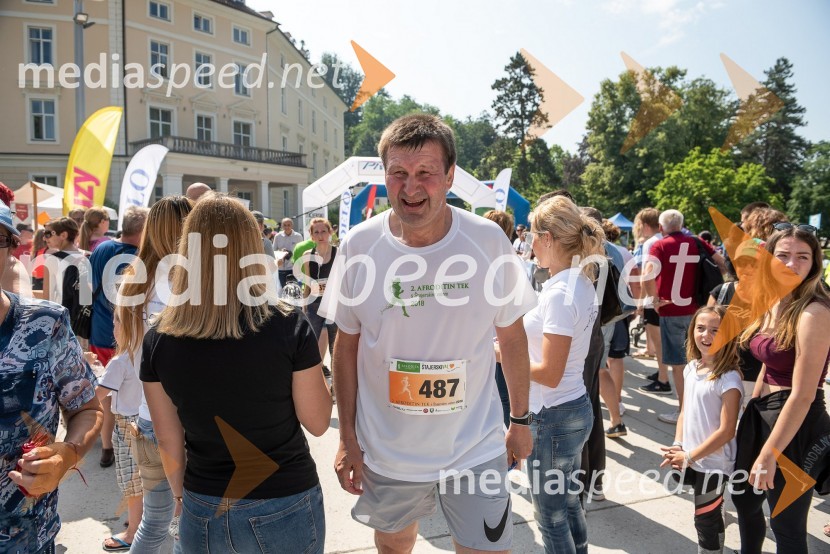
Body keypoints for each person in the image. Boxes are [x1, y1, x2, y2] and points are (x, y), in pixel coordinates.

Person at [320, 114, 536, 553]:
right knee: (394, 547)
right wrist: (347, 439)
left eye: (426, 174)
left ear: (451, 175)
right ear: (385, 176)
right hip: (388, 451)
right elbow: (345, 347)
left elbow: (512, 338)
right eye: (398, 173)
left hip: (474, 447)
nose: (411, 186)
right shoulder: (359, 245)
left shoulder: (487, 240)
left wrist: (520, 420)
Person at [141, 193, 331, 553]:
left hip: (203, 501)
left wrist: (182, 496)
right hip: (285, 498)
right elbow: (319, 422)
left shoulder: (159, 338)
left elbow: (168, 439)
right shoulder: (288, 325)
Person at [1, 199, 104, 553]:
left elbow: (86, 408)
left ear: (13, 250)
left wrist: (66, 456)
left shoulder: (46, 323)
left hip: (26, 537)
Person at [732, 224, 830, 553]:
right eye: (783, 255)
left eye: (802, 257)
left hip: (797, 423)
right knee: (744, 502)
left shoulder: (814, 312)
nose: (791, 264)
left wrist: (769, 453)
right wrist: (752, 411)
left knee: (786, 524)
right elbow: (767, 365)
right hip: (763, 412)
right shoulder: (773, 299)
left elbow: (803, 394)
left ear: (814, 263)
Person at [520, 196, 603, 553]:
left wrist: (499, 355)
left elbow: (549, 373)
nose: (530, 244)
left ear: (549, 237)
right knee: (569, 504)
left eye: (533, 236)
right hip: (572, 407)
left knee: (550, 518)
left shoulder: (561, 291)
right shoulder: (578, 281)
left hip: (552, 415)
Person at [115, 195, 193, 554]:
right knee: (186, 521)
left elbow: (124, 347)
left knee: (157, 519)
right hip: (179, 416)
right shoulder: (182, 281)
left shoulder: (133, 278)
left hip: (146, 415)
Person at [660, 305, 743, 554]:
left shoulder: (729, 378)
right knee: (707, 512)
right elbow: (685, 411)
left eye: (715, 330)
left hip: (714, 463)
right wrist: (678, 444)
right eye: (701, 328)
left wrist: (690, 455)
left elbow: (727, 431)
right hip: (692, 457)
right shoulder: (691, 368)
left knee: (705, 520)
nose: (706, 336)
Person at [641, 209, 726, 425]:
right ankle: (704, 410)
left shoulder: (659, 245)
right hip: (698, 311)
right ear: (681, 224)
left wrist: (655, 300)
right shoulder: (697, 241)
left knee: (679, 365)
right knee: (702, 360)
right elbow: (721, 262)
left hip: (671, 311)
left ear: (661, 228)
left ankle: (684, 413)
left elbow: (647, 275)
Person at [90, 206, 149, 469]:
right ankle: (126, 448)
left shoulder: (101, 249)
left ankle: (105, 448)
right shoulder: (140, 258)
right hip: (126, 336)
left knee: (107, 393)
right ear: (143, 230)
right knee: (125, 393)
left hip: (101, 331)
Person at [483, 209, 516, 429]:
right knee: (503, 397)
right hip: (498, 341)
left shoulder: (474, 260)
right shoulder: (512, 262)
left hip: (492, 343)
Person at [302, 217, 338, 378]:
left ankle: (336, 387)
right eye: (316, 232)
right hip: (314, 305)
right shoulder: (307, 255)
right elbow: (307, 283)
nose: (320, 235)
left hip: (334, 306)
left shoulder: (339, 253)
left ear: (330, 232)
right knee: (310, 344)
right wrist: (304, 306)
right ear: (311, 235)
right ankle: (316, 379)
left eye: (324, 231)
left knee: (335, 347)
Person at [41, 217, 86, 334]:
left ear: (64, 235)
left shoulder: (52, 260)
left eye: (48, 234)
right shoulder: (87, 256)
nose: (44, 238)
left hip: (59, 321)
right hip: (82, 322)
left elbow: (47, 297)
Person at [273, 217, 305, 287]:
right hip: (281, 268)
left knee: (295, 290)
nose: (287, 227)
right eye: (284, 225)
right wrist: (281, 252)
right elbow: (274, 251)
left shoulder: (298, 236)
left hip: (294, 268)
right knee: (284, 289)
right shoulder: (278, 236)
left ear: (292, 226)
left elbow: (302, 251)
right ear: (281, 226)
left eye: (288, 225)